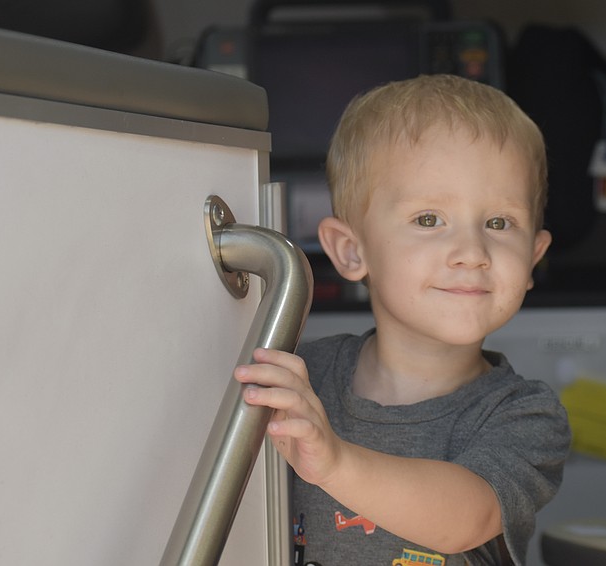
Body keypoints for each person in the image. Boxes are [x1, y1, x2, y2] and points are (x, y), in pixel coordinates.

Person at [234, 74, 571, 565]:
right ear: (351, 251)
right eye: (429, 219)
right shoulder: (303, 378)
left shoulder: (524, 415)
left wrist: (334, 461)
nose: (471, 252)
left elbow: (465, 519)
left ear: (534, 256)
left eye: (499, 223)